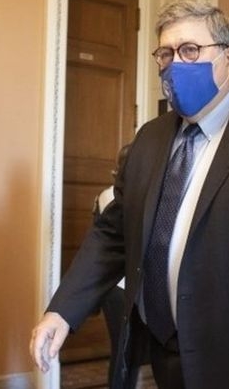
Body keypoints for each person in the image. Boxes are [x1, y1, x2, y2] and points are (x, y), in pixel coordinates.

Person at [30, 0, 229, 389]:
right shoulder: (149, 138)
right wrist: (63, 311)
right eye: (165, 54)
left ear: (228, 57)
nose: (174, 64)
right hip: (167, 356)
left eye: (189, 50)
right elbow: (114, 234)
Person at [93, 144, 132, 389]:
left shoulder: (106, 195)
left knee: (127, 351)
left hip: (121, 285)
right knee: (122, 350)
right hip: (118, 286)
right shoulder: (113, 197)